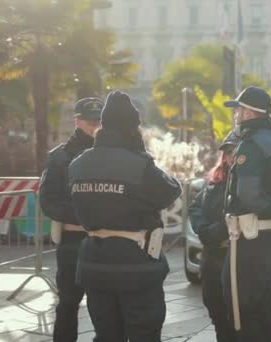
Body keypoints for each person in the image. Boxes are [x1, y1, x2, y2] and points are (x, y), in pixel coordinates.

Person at [68, 91, 182, 342]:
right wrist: (140, 154)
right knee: (144, 334)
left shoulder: (77, 164)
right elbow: (171, 190)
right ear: (132, 128)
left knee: (107, 335)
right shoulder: (139, 164)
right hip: (135, 265)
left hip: (94, 262)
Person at [222, 86, 271, 342]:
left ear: (249, 113)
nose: (236, 115)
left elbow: (249, 195)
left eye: (238, 110)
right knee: (263, 308)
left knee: (241, 312)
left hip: (249, 241)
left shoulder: (251, 146)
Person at [39, 97, 102, 342]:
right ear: (78, 121)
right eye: (90, 121)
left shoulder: (113, 155)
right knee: (68, 302)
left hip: (105, 238)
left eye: (99, 120)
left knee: (104, 305)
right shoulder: (58, 157)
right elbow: (48, 200)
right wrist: (84, 216)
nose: (95, 125)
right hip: (73, 238)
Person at [188, 131, 239, 342]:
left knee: (236, 318)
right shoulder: (214, 181)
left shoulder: (248, 183)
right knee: (216, 310)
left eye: (236, 152)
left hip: (235, 258)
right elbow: (195, 207)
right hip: (212, 258)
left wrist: (218, 230)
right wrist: (203, 230)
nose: (231, 157)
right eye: (228, 152)